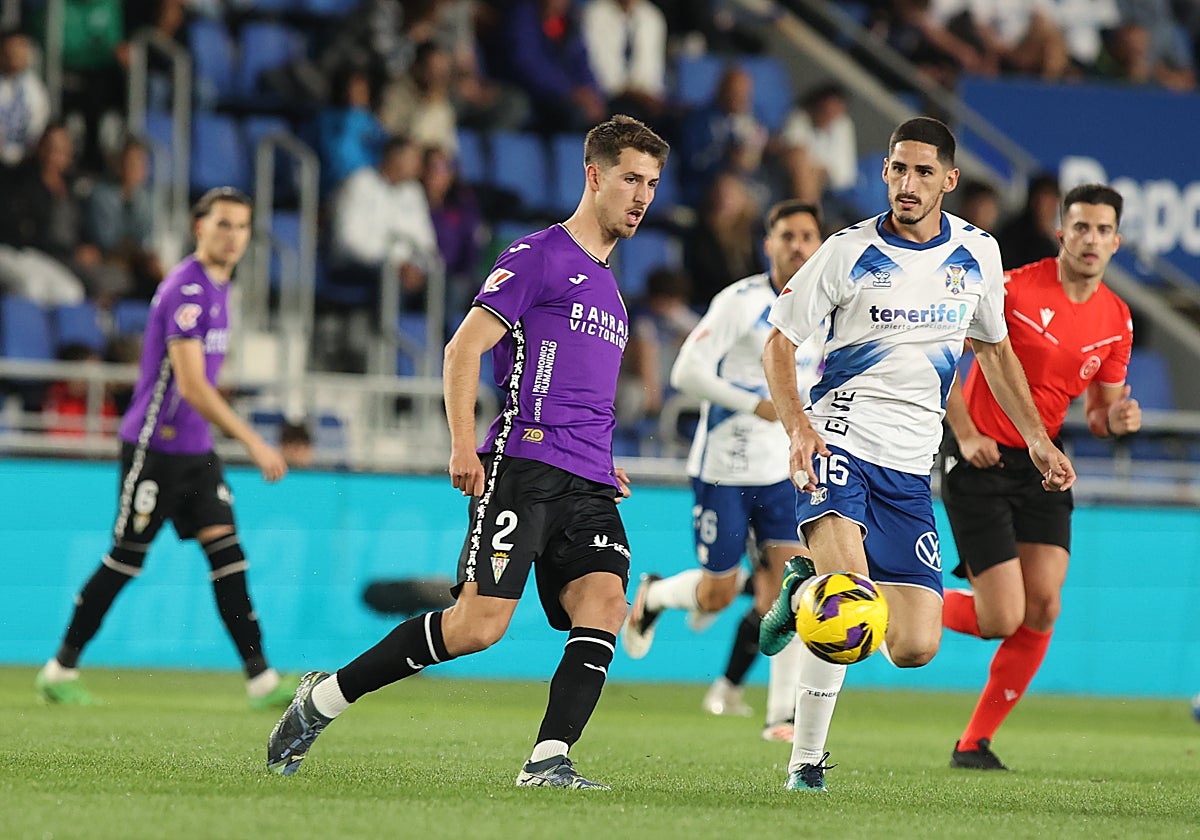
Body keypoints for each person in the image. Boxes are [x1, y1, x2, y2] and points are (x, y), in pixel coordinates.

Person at [266, 114, 670, 789]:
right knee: (478, 627)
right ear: (594, 175)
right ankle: (324, 697)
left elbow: (578, 389)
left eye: (653, 184)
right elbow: (463, 349)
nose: (642, 197)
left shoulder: (610, 289)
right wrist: (462, 444)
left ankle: (548, 761)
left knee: (605, 602)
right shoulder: (538, 254)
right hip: (522, 470)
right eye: (631, 179)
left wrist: (601, 459)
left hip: (588, 482)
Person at [757, 116, 1076, 792]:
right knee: (848, 603)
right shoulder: (846, 251)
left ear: (949, 180)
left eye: (923, 171)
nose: (908, 183)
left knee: (912, 647)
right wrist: (797, 429)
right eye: (898, 169)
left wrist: (1040, 440)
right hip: (838, 443)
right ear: (885, 173)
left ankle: (801, 583)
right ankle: (805, 764)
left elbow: (992, 349)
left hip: (907, 468)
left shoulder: (978, 253)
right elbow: (779, 342)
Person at [35, 187, 295, 710]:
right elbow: (194, 386)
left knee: (229, 558)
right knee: (126, 559)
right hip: (155, 448)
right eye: (223, 224)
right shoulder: (186, 290)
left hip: (197, 454)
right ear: (200, 227)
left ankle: (261, 679)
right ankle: (59, 667)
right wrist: (254, 441)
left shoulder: (222, 290)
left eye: (242, 227)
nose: (233, 236)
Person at [941, 183, 1140, 770]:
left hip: (1042, 464)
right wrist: (967, 433)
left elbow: (1100, 415)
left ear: (1116, 242)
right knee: (998, 617)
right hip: (979, 457)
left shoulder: (1117, 321)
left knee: (1044, 607)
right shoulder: (1012, 289)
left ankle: (973, 743)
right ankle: (884, 596)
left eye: (1103, 230)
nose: (1091, 239)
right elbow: (943, 356)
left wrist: (1117, 419)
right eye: (1081, 227)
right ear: (1061, 232)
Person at [621, 201, 826, 743]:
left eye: (808, 236)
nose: (798, 245)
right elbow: (687, 370)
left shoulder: (827, 307)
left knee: (793, 589)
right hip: (726, 467)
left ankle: (780, 716)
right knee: (718, 593)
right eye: (788, 235)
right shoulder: (741, 301)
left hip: (787, 469)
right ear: (769, 243)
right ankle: (656, 596)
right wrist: (753, 404)